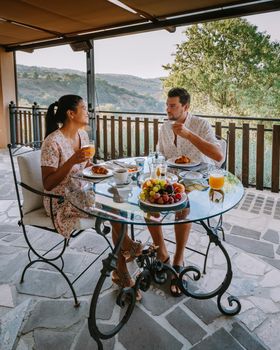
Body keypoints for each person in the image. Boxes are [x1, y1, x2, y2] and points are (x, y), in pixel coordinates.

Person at [41, 94, 142, 300]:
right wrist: (71, 161)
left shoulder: (83, 136)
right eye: (84, 109)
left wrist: (105, 169)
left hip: (83, 192)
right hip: (61, 200)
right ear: (71, 113)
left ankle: (122, 265)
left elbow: (86, 167)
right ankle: (125, 256)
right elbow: (48, 184)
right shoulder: (52, 142)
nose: (88, 112)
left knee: (118, 200)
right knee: (114, 208)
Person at [148, 87, 223, 297]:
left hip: (198, 181)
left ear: (186, 107)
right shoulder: (165, 127)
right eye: (167, 105)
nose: (168, 109)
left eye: (173, 106)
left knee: (184, 203)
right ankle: (162, 254)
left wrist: (189, 135)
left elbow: (218, 156)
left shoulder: (200, 124)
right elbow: (160, 155)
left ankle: (178, 260)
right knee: (148, 202)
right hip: (170, 179)